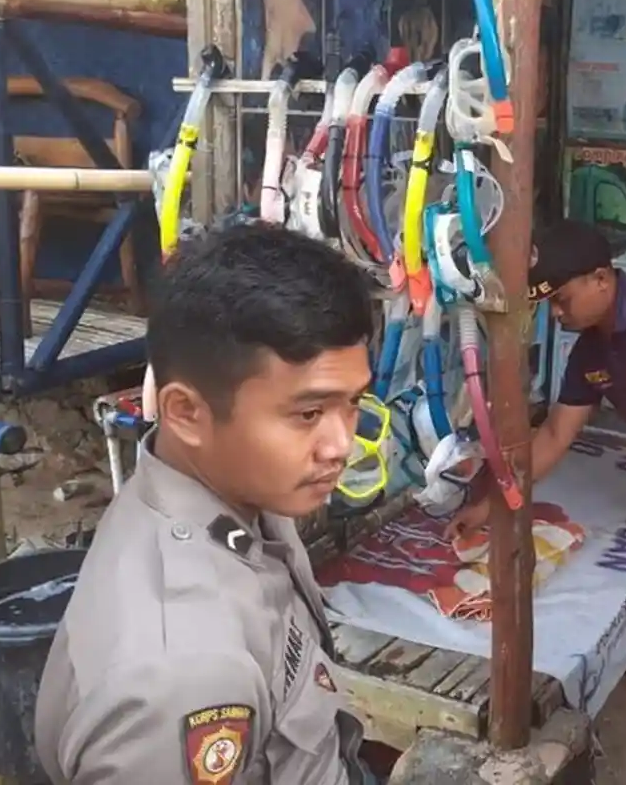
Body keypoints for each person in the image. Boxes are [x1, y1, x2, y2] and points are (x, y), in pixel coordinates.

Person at [35, 224, 379, 785]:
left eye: (354, 402)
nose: (342, 444)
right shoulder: (181, 678)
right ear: (186, 413)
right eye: (309, 414)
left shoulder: (243, 491)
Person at [452, 218, 626, 779]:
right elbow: (553, 437)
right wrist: (489, 507)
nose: (556, 315)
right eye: (548, 305)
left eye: (562, 300)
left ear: (601, 279)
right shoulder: (591, 351)